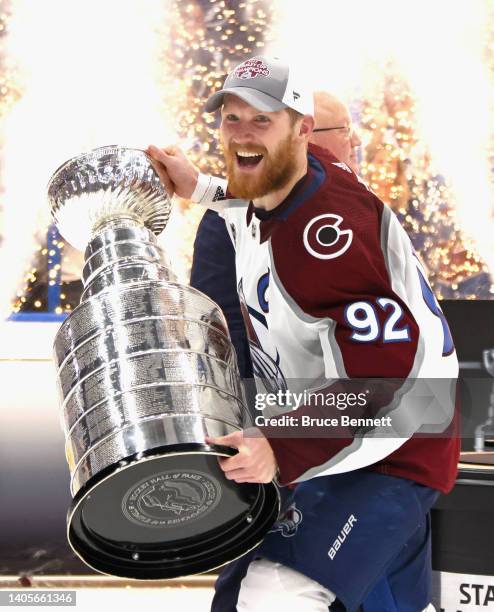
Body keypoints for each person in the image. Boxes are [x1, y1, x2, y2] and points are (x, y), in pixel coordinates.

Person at [148, 55, 459, 612]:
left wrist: (281, 445)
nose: (242, 134)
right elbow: (263, 200)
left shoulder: (332, 238)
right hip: (328, 428)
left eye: (261, 121)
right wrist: (202, 188)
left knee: (274, 592)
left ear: (302, 129)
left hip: (393, 445)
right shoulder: (293, 178)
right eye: (231, 119)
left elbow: (386, 381)